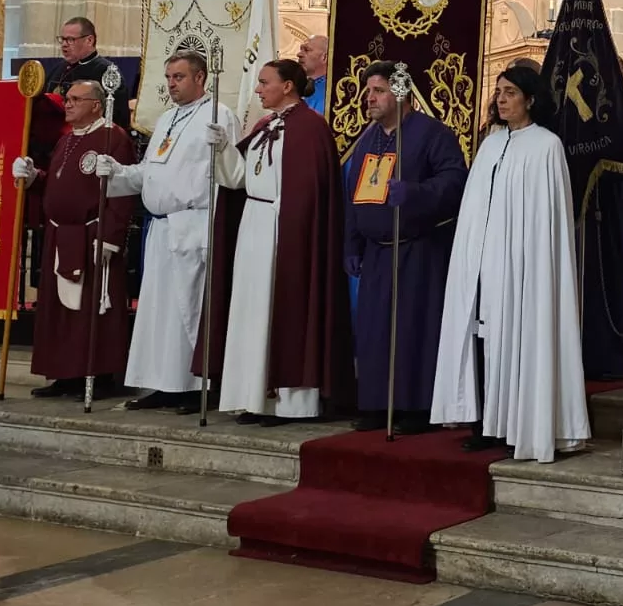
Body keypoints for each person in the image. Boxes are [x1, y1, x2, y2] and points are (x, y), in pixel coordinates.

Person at [432, 65, 590, 461]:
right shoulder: (489, 145)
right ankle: (485, 421)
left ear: (531, 100)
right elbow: (474, 208)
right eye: (498, 92)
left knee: (518, 335)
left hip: (522, 265)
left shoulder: (546, 146)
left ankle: (517, 421)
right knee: (481, 336)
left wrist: (525, 259)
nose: (501, 99)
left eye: (510, 93)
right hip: (483, 261)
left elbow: (547, 220)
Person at [198, 59, 353, 424]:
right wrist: (222, 149)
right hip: (254, 224)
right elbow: (237, 179)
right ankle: (254, 397)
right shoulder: (266, 124)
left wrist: (291, 228)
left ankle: (292, 402)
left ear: (287, 86)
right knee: (253, 311)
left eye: (264, 82)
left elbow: (309, 191)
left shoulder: (311, 130)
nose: (257, 89)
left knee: (284, 309)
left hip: (284, 229)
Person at [95, 50, 239, 411]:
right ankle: (163, 382)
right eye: (169, 78)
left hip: (193, 225)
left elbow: (231, 172)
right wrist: (117, 172)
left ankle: (197, 385)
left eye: (179, 77)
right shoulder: (168, 119)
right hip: (160, 228)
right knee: (159, 312)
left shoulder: (219, 115)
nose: (171, 84)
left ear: (200, 78)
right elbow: (150, 171)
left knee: (189, 309)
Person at [344, 61, 467, 433]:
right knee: (374, 330)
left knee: (413, 328)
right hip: (377, 252)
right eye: (368, 92)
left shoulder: (432, 134)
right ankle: (376, 404)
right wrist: (352, 241)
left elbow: (455, 181)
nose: (370, 98)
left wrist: (415, 194)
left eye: (378, 91)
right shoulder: (369, 138)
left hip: (417, 250)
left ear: (402, 94)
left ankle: (415, 407)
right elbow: (353, 195)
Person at [11, 80, 137, 398]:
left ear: (96, 104)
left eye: (75, 99)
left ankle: (99, 375)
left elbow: (122, 190)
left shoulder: (113, 138)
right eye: (66, 99)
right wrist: (33, 177)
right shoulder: (65, 141)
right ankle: (64, 373)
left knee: (92, 311)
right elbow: (57, 184)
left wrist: (110, 236)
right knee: (60, 310)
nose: (67, 104)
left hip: (92, 236)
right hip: (59, 234)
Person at [48, 17, 130, 129]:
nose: (64, 44)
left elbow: (117, 117)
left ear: (89, 40)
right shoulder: (58, 68)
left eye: (70, 39)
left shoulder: (107, 72)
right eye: (62, 39)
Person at [299, 34, 329, 115]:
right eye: (300, 49)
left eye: (307, 50)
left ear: (324, 57)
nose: (299, 54)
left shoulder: (330, 91)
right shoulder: (296, 86)